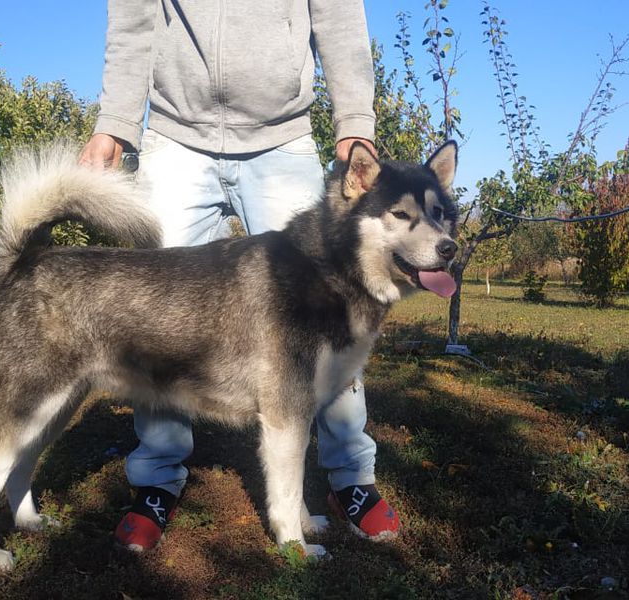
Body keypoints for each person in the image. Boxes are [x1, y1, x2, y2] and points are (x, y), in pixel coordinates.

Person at [79, 0, 399, 552]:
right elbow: (133, 18)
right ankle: (157, 481)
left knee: (335, 313)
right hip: (176, 133)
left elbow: (340, 16)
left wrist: (354, 123)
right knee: (155, 319)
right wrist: (115, 123)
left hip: (282, 136)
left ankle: (350, 479)